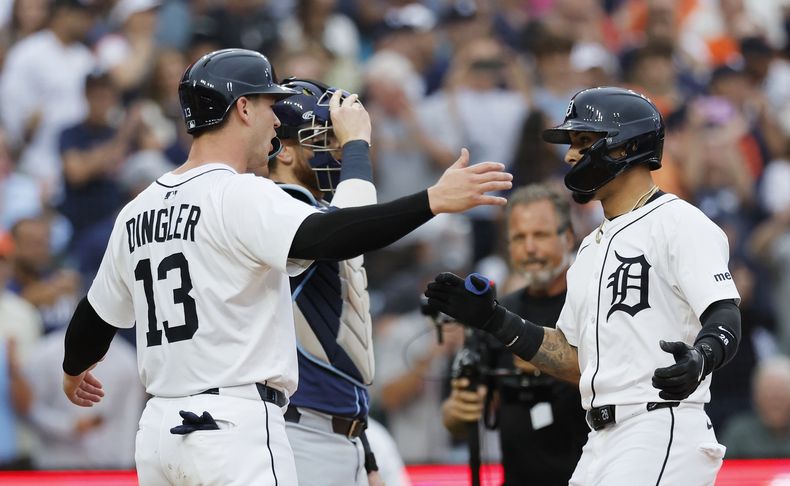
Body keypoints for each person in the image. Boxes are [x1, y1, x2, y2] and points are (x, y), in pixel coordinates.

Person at [59, 48, 511, 486]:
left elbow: (94, 317)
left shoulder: (138, 209)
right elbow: (335, 235)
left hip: (159, 429)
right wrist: (432, 200)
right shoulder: (240, 194)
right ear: (242, 108)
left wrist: (73, 368)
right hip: (234, 425)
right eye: (269, 104)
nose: (277, 120)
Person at [425, 86, 742, 485]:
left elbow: (725, 312)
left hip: (659, 424)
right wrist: (493, 319)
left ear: (624, 147)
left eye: (583, 141)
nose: (571, 155)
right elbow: (573, 358)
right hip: (602, 440)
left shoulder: (678, 222)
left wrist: (703, 356)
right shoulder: (591, 248)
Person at [264, 77, 381, 486]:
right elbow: (356, 226)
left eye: (335, 141)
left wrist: (365, 452)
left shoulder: (316, 210)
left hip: (337, 432)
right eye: (322, 141)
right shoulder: (280, 206)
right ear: (281, 149)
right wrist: (356, 146)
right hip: (297, 431)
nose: (333, 152)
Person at [441, 184, 588, 486]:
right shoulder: (495, 314)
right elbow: (456, 416)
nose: (530, 248)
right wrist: (457, 412)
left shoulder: (593, 307)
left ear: (569, 238)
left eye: (541, 235)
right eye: (519, 238)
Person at [720, 354, 790, 458]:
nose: (775, 400)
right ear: (756, 396)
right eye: (769, 392)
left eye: (782, 392)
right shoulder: (739, 433)